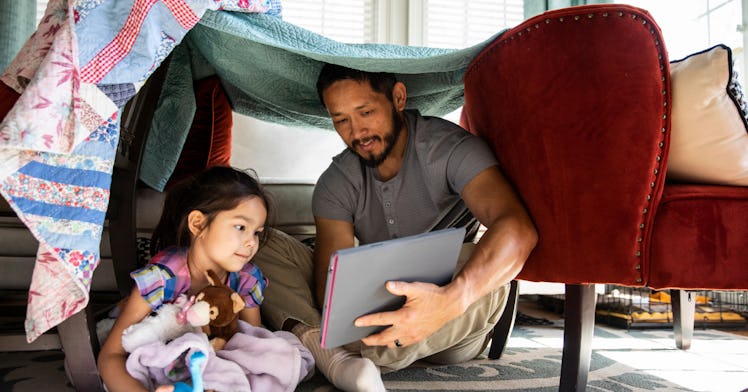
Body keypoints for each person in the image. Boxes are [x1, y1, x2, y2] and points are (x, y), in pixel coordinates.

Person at [253, 63, 538, 391]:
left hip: (453, 313)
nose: (356, 132)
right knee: (259, 242)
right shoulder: (336, 182)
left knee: (484, 263)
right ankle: (333, 353)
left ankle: (323, 349)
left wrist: (449, 302)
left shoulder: (449, 149)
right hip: (377, 297)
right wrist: (354, 301)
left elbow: (518, 228)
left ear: (398, 98)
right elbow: (329, 289)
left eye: (366, 112)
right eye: (341, 120)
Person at [98, 166, 273, 392]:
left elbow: (249, 346)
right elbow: (110, 356)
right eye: (241, 227)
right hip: (158, 351)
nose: (251, 242)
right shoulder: (161, 278)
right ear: (198, 224)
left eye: (257, 232)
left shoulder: (247, 280)